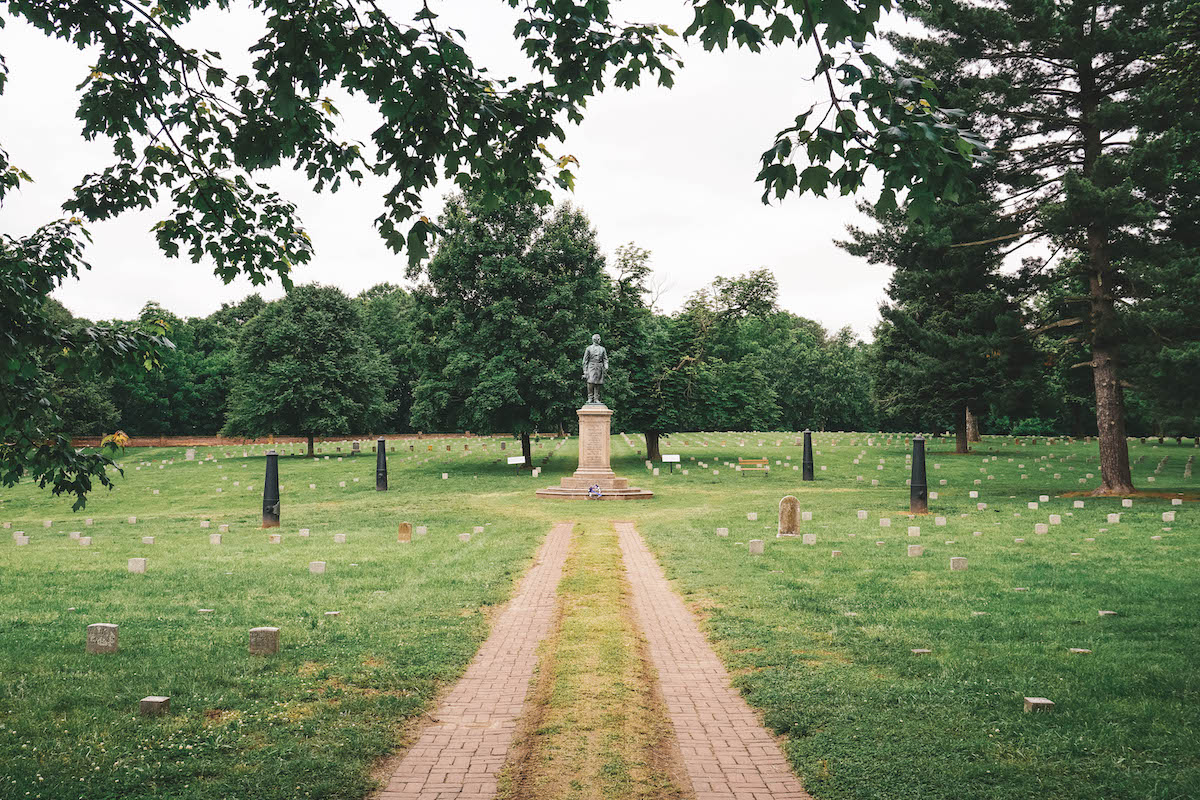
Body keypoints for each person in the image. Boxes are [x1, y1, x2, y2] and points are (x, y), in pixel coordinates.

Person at [582, 334, 608, 404]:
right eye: (599, 339)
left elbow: (605, 359)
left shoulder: (603, 349)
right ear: (595, 340)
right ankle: (590, 398)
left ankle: (597, 398)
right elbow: (585, 361)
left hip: (599, 367)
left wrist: (606, 365)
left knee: (598, 383)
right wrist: (585, 370)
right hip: (591, 366)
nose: (600, 340)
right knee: (590, 382)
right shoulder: (588, 348)